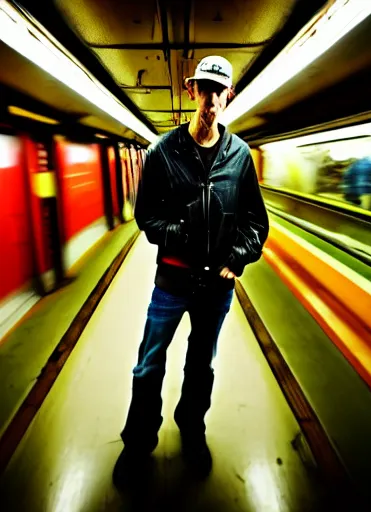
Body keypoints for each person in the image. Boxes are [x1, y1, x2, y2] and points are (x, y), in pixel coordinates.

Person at [113, 55, 269, 486]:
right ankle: (139, 441)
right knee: (149, 363)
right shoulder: (163, 152)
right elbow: (145, 217)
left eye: (220, 91)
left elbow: (257, 223)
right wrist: (180, 231)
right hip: (172, 282)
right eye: (205, 89)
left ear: (229, 96)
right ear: (191, 90)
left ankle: (191, 427)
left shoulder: (239, 156)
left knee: (202, 364)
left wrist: (237, 257)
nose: (212, 99)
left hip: (215, 290)